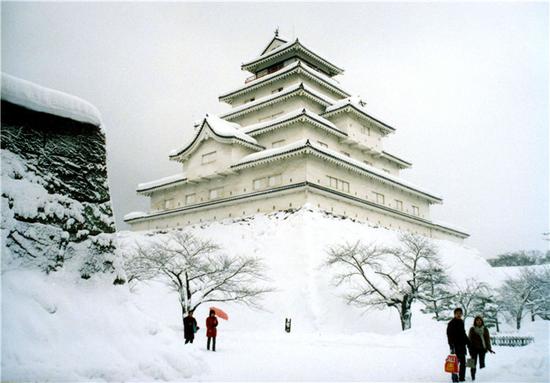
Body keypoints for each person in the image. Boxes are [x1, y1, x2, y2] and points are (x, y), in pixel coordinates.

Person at [468, 316, 495, 381]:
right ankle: (472, 377)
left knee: (482, 364)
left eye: (480, 320)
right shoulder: (472, 329)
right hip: (473, 349)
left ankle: (482, 379)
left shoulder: (485, 329)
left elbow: (487, 340)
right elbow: (469, 339)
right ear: (475, 321)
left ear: (482, 321)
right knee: (472, 364)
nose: (479, 321)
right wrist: (469, 348)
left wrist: (489, 348)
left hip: (482, 349)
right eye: (477, 320)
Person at [447, 308, 470, 382]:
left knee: (463, 363)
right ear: (454, 314)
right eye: (457, 313)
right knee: (455, 363)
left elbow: (463, 333)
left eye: (460, 313)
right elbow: (449, 335)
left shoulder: (461, 322)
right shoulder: (451, 323)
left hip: (462, 346)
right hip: (455, 346)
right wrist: (451, 346)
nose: (459, 314)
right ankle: (454, 378)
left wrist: (468, 342)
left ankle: (462, 378)